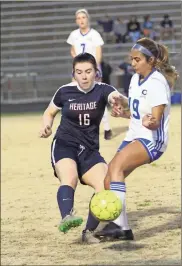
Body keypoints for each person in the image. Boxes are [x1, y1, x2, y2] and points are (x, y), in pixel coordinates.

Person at [95, 37, 178, 241]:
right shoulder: (134, 80)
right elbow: (137, 113)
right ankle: (122, 228)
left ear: (150, 60)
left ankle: (118, 226)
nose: (132, 64)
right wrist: (122, 111)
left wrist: (152, 122)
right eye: (131, 59)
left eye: (137, 60)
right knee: (108, 179)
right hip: (134, 134)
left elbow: (155, 121)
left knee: (116, 169)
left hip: (151, 139)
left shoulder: (158, 82)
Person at [39, 53, 127, 244]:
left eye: (88, 71)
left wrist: (119, 103)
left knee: (105, 185)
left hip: (89, 149)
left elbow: (115, 98)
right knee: (69, 178)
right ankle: (67, 216)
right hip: (65, 144)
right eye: (79, 72)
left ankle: (88, 232)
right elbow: (50, 112)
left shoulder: (104, 90)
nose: (84, 76)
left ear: (96, 72)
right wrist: (46, 125)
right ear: (74, 74)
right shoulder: (64, 91)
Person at [67, 8, 112, 140]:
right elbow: (72, 50)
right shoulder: (74, 35)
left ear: (88, 19)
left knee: (97, 99)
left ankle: (107, 128)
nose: (81, 20)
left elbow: (98, 54)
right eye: (79, 18)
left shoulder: (95, 34)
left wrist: (95, 68)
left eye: (83, 17)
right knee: (77, 100)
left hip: (92, 69)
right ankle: (80, 128)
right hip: (78, 71)